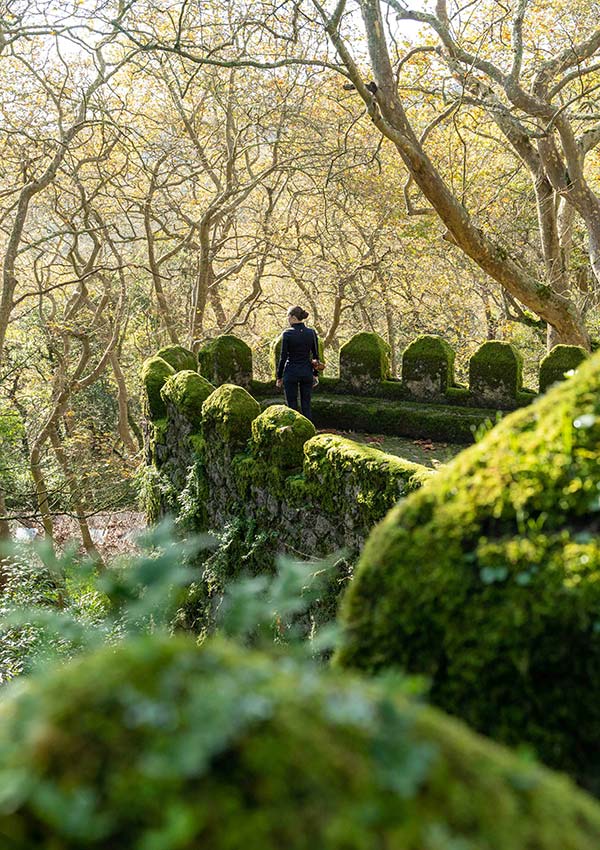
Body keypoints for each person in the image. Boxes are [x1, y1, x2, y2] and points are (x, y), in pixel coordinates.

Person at [276, 306, 319, 421]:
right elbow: (316, 356)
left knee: (292, 406)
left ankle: (294, 433)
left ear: (294, 317)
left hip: (291, 372)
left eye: (288, 316)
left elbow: (283, 357)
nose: (287, 319)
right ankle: (310, 432)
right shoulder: (311, 333)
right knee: (306, 405)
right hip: (306, 372)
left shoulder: (287, 334)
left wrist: (279, 377)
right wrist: (315, 374)